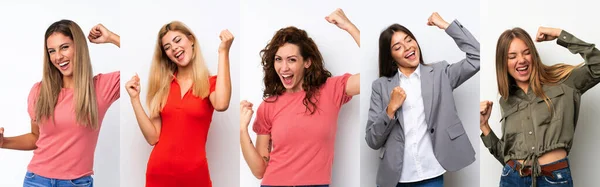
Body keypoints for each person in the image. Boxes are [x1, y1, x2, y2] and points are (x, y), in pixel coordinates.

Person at [240, 8, 360, 187]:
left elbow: (373, 75)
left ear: (307, 62)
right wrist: (243, 129)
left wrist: (349, 27)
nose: (283, 67)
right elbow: (259, 170)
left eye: (292, 60)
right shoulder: (269, 106)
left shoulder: (331, 90)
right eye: (278, 59)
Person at [0, 20, 120, 187]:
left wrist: (111, 37)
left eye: (64, 47)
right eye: (52, 51)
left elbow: (137, 61)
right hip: (36, 180)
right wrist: (3, 142)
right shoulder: (40, 91)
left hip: (76, 182)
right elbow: (36, 138)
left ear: (78, 46)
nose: (58, 57)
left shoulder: (101, 88)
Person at [366, 12, 479, 187]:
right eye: (398, 47)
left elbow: (477, 57)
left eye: (409, 40)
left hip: (432, 173)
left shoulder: (440, 74)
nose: (407, 47)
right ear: (391, 58)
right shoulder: (380, 87)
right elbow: (372, 140)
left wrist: (446, 25)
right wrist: (390, 109)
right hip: (396, 178)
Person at [481, 26, 600, 187]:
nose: (521, 60)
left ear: (534, 55)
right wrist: (484, 126)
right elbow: (507, 156)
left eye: (526, 52)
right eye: (512, 56)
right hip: (512, 179)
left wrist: (561, 35)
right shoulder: (506, 100)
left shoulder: (564, 83)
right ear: (503, 62)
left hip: (554, 179)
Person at [125, 21, 233, 187]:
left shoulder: (210, 83)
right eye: (167, 47)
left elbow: (221, 104)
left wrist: (223, 52)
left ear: (191, 40)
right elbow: (153, 137)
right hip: (159, 174)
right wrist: (135, 99)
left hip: (195, 176)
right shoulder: (162, 86)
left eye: (177, 40)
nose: (173, 48)